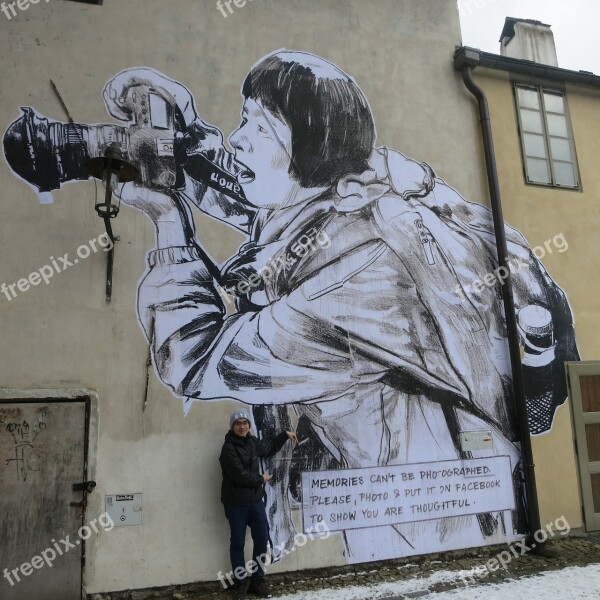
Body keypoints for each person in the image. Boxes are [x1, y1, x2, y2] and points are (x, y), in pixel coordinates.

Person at [105, 51, 577, 563]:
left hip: (419, 522)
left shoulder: (358, 285)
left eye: (260, 129)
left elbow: (195, 359)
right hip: (411, 486)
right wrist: (188, 142)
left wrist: (170, 225)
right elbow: (266, 205)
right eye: (244, 120)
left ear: (309, 156)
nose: (239, 139)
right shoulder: (357, 189)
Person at [220, 409, 297, 599]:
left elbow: (269, 447)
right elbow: (237, 474)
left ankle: (257, 580)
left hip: (255, 502)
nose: (242, 426)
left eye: (245, 423)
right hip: (236, 503)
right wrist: (260, 479)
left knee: (261, 540)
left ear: (249, 426)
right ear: (232, 426)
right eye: (238, 423)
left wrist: (284, 435)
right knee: (237, 543)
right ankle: (240, 583)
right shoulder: (228, 448)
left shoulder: (252, 442)